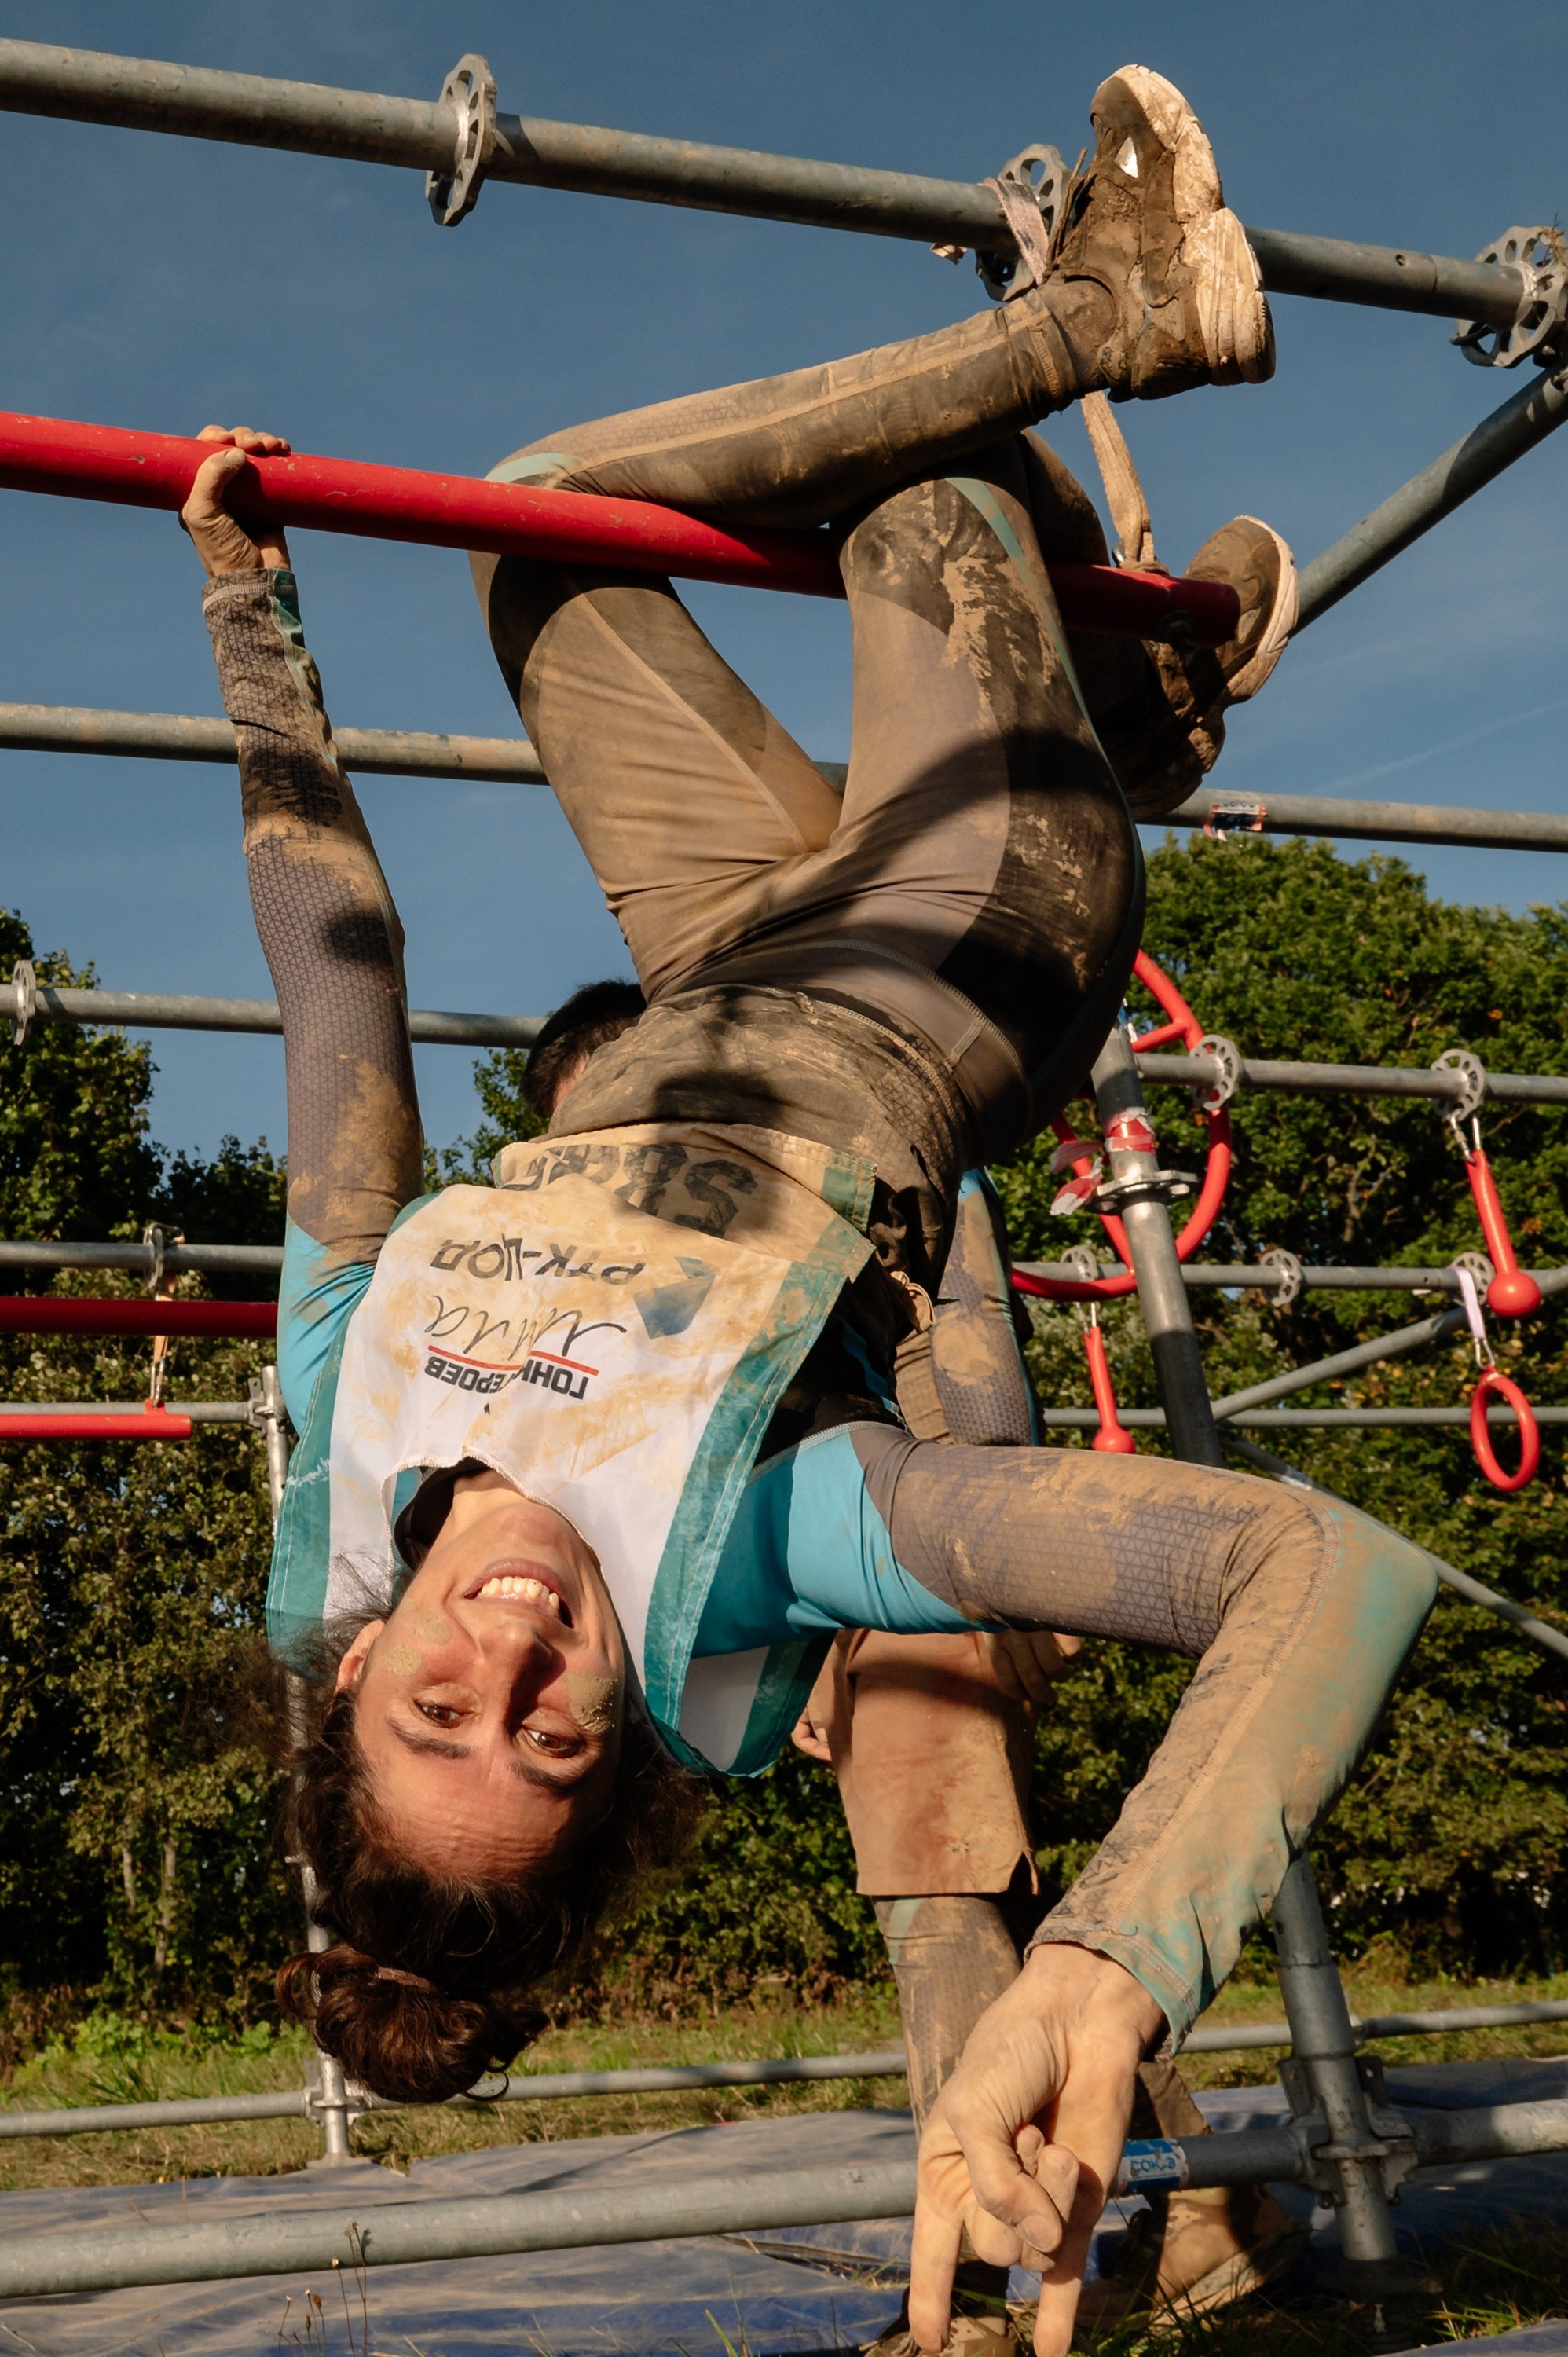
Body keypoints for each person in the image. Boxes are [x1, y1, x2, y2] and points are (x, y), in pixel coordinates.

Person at [184, 64, 1435, 2354]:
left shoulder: (352, 1423)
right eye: (552, 1739)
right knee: (926, 490)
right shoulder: (760, 1545)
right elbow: (1313, 1575)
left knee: (535, 526)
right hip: (960, 946)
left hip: (706, 945)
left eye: (437, 1706)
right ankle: (1107, 351)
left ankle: (1107, 679)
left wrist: (250, 617)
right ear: (623, 1730)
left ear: (356, 1662)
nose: (515, 1658)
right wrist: (1103, 1968)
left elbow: (339, 982)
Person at [535, 985, 1299, 2337]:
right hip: (890, 1581)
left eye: (614, 1119)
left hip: (937, 1560)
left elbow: (976, 1379)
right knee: (1001, 1912)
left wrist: (918, 1591)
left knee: (934, 1905)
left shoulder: (853, 1163)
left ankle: (985, 2304)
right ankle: (1208, 2214)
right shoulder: (678, 1262)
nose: (609, 1169)